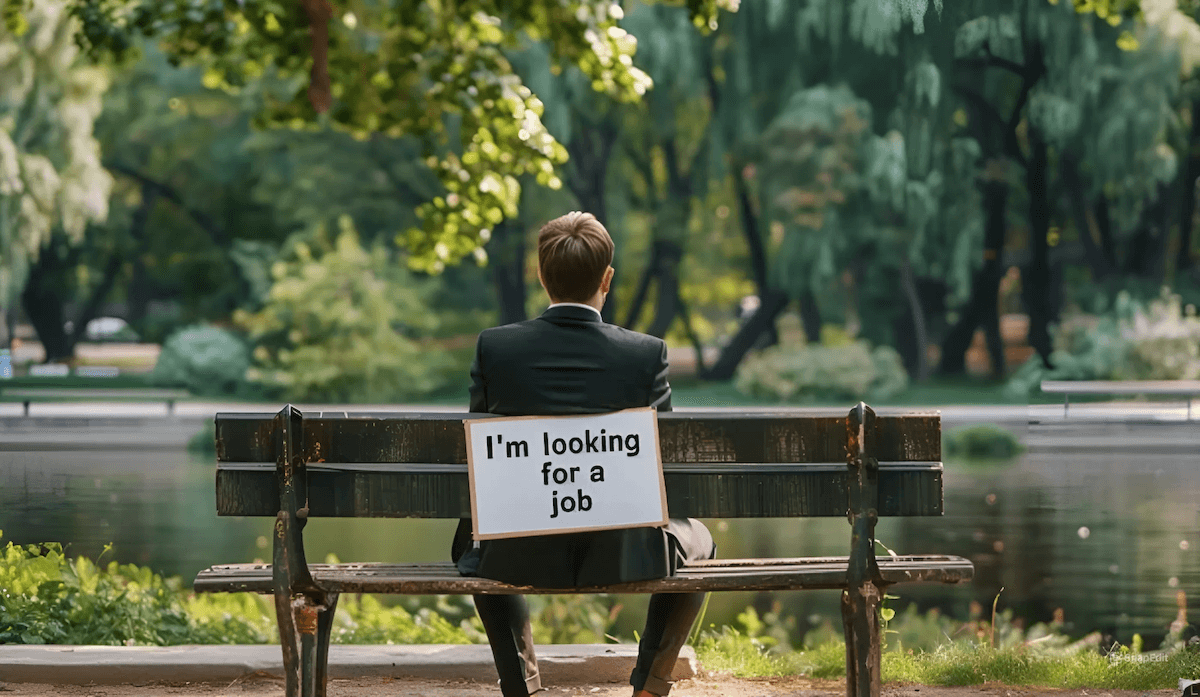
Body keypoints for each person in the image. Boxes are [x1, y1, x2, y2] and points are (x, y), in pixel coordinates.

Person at [451, 211, 716, 697]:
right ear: (607, 279)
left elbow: (482, 459)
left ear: (540, 275)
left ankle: (520, 684)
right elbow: (662, 465)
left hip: (516, 552)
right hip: (622, 554)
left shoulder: (497, 349)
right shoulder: (645, 353)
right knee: (700, 541)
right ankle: (650, 686)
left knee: (476, 529)